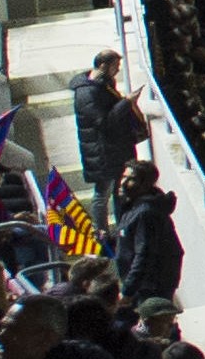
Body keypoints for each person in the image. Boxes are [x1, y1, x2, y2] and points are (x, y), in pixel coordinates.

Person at [70, 54, 137, 222]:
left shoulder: (103, 84)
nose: (118, 69)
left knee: (118, 192)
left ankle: (122, 225)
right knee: (102, 194)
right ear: (103, 65)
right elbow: (103, 122)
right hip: (101, 151)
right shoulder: (87, 92)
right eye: (116, 65)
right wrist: (126, 103)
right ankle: (101, 231)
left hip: (113, 148)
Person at [111, 165, 182, 304]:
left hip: (150, 287)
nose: (123, 183)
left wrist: (128, 290)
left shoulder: (146, 212)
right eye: (124, 177)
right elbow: (130, 239)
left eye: (131, 179)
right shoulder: (133, 206)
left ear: (145, 185)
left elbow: (144, 254)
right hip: (142, 285)